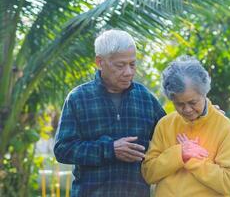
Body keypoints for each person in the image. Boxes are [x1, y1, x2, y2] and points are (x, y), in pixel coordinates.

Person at [53, 29, 166, 197]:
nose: (128, 72)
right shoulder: (78, 98)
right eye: (120, 65)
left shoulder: (146, 98)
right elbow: (63, 149)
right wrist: (110, 149)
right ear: (100, 62)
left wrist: (204, 114)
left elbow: (171, 133)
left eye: (132, 64)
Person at [141, 56, 230, 197]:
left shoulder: (225, 129)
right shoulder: (165, 124)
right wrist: (179, 154)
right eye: (180, 104)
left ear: (204, 93)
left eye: (193, 102)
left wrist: (192, 160)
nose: (187, 109)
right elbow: (149, 173)